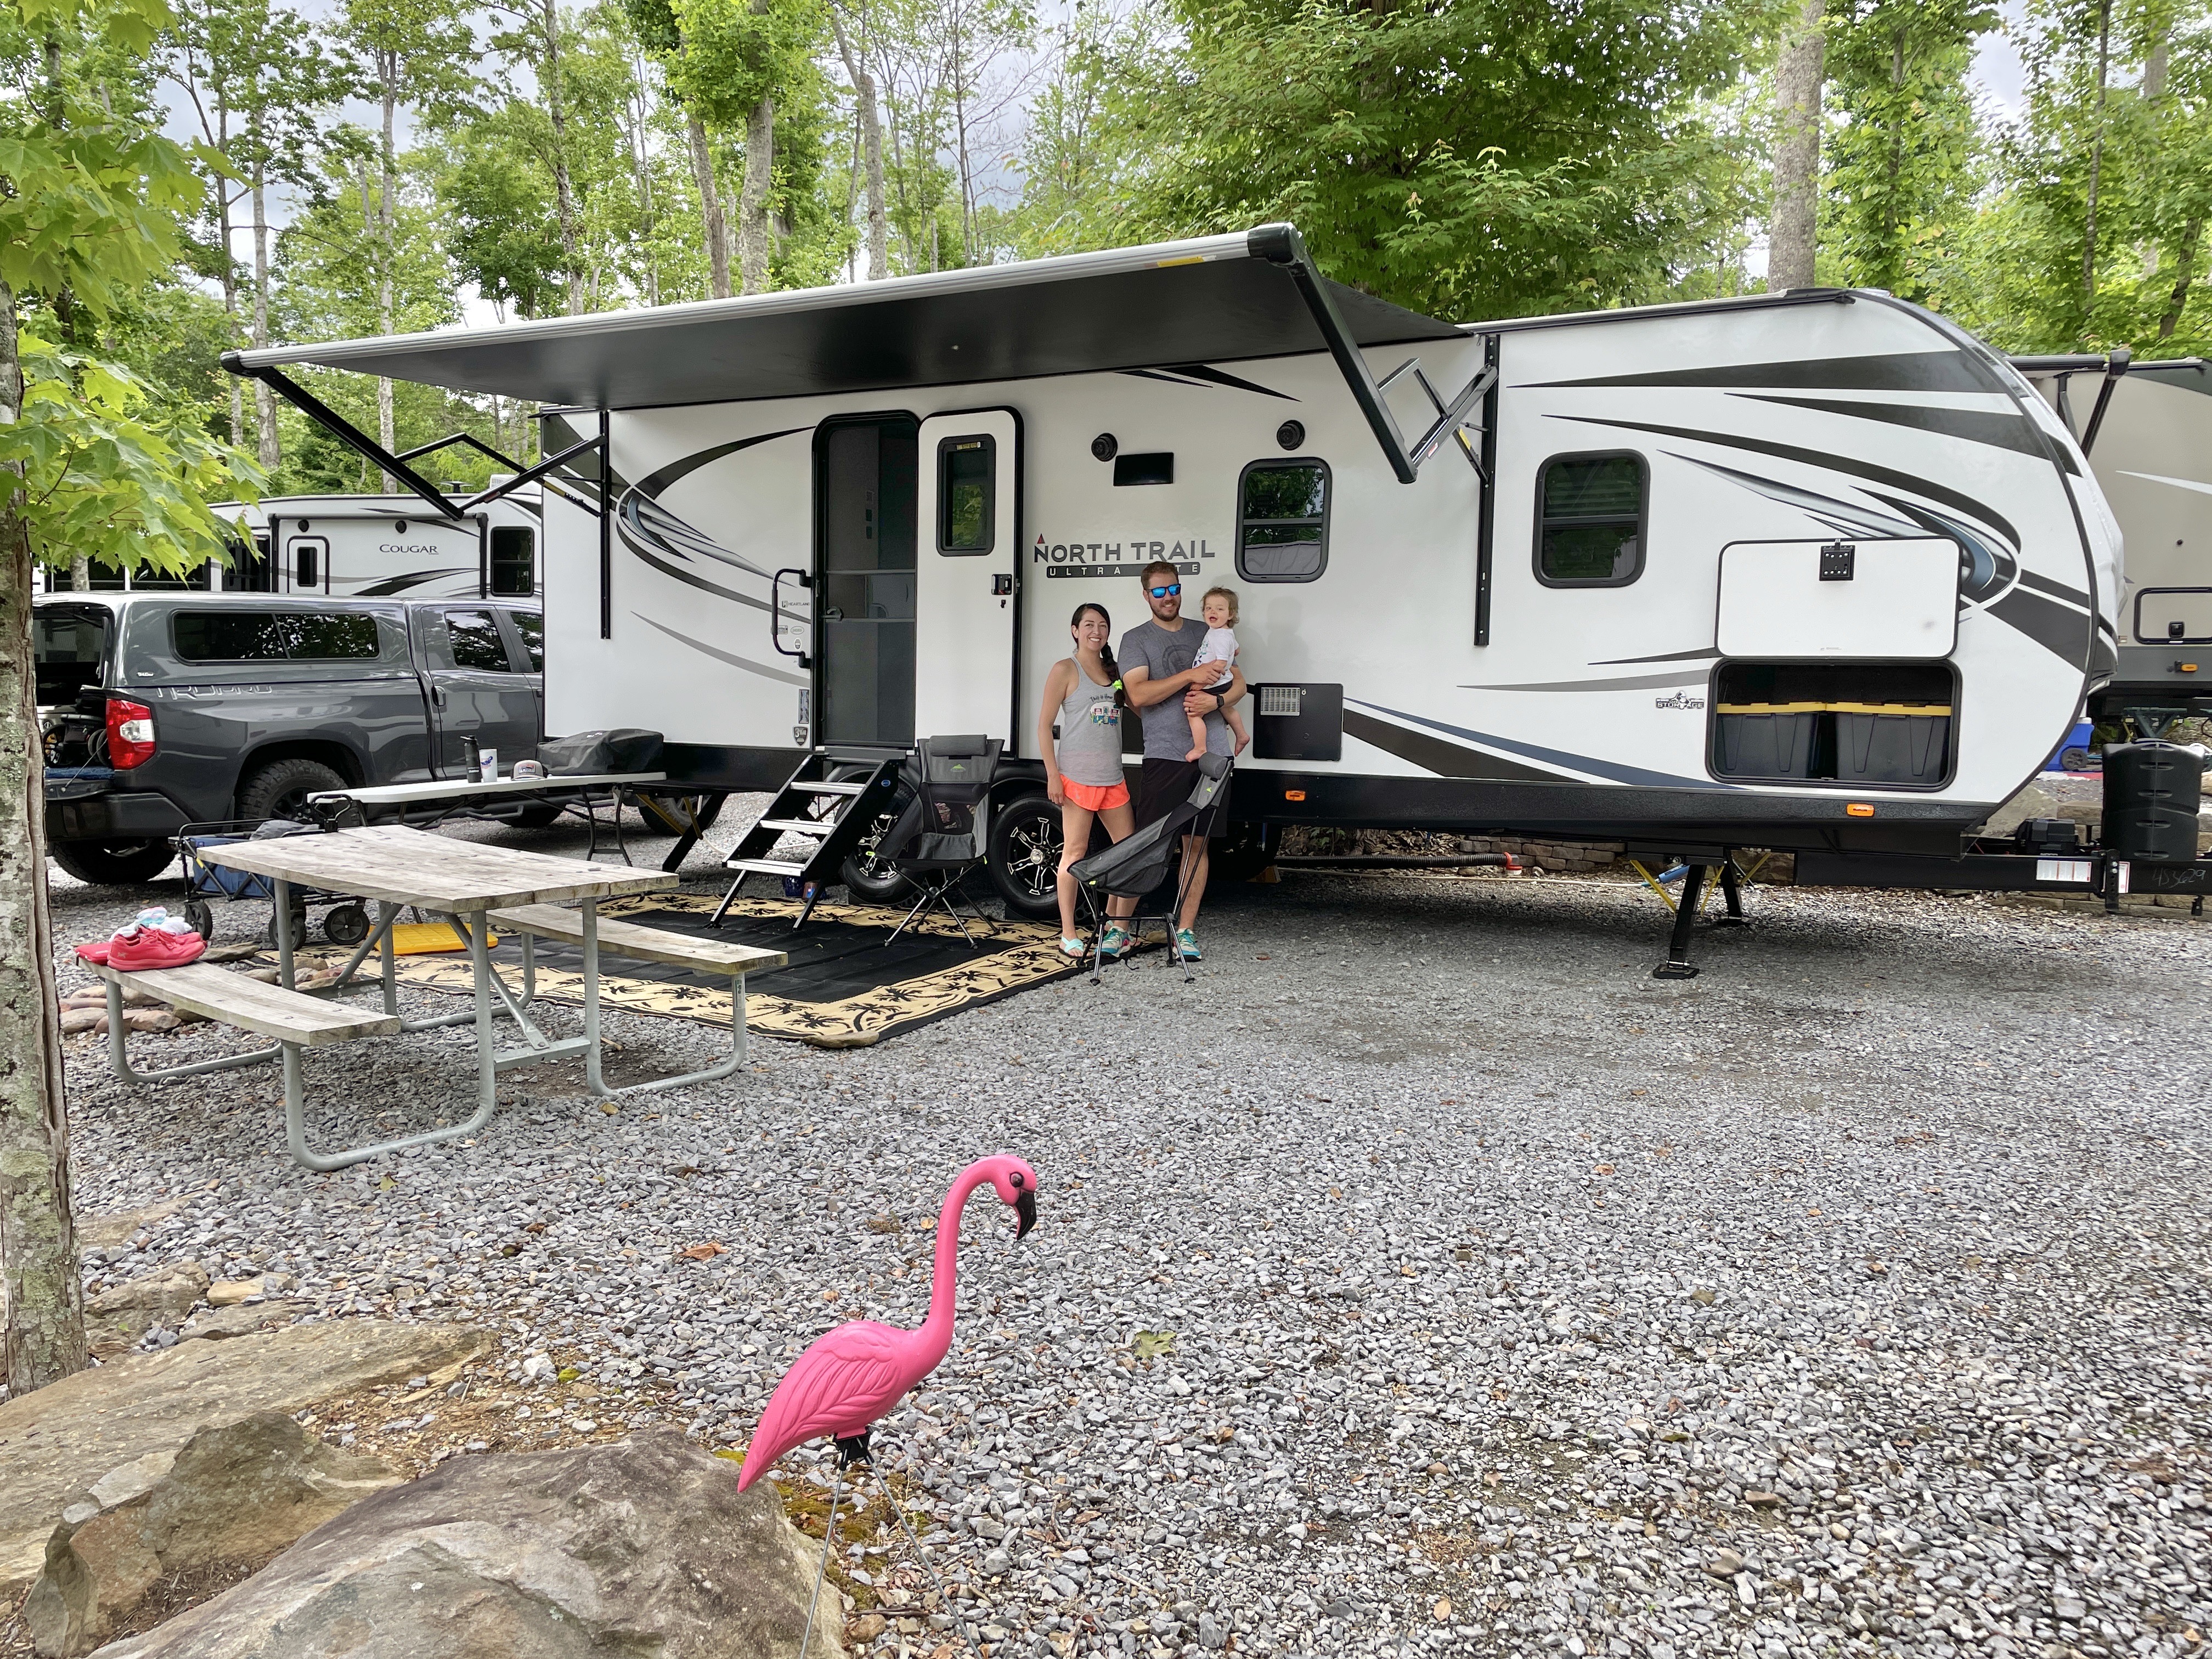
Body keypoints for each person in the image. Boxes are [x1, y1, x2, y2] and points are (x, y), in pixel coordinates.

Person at [1099, 560, 1245, 964]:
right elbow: (1139, 695)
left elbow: (1239, 684)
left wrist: (1216, 701)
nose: (1169, 597)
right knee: (1148, 842)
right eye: (1160, 591)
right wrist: (1190, 675)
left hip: (1213, 756)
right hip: (1165, 755)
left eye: (1174, 589)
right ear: (1147, 595)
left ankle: (1185, 931)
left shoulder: (1208, 629)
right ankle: (1120, 930)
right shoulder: (1136, 638)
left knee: (1196, 846)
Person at [1036, 602, 1136, 956]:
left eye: (1103, 625)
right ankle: (1068, 934)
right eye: (1089, 625)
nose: (1097, 631)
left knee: (1129, 853)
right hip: (1077, 778)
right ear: (1075, 630)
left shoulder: (1115, 670)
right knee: (1075, 853)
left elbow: (1140, 705)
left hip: (1113, 778)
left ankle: (1116, 927)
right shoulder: (1065, 669)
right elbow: (1044, 726)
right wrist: (1053, 776)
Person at [1183, 586, 1249, 761]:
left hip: (1214, 682)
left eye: (1220, 609)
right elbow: (1236, 650)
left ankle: (1200, 748)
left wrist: (1201, 684)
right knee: (1227, 708)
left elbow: (1220, 665)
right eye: (1208, 608)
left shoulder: (1220, 636)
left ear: (1230, 614)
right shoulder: (1225, 633)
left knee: (1193, 713)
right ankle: (1242, 735)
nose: (1213, 612)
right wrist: (1232, 652)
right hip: (1224, 682)